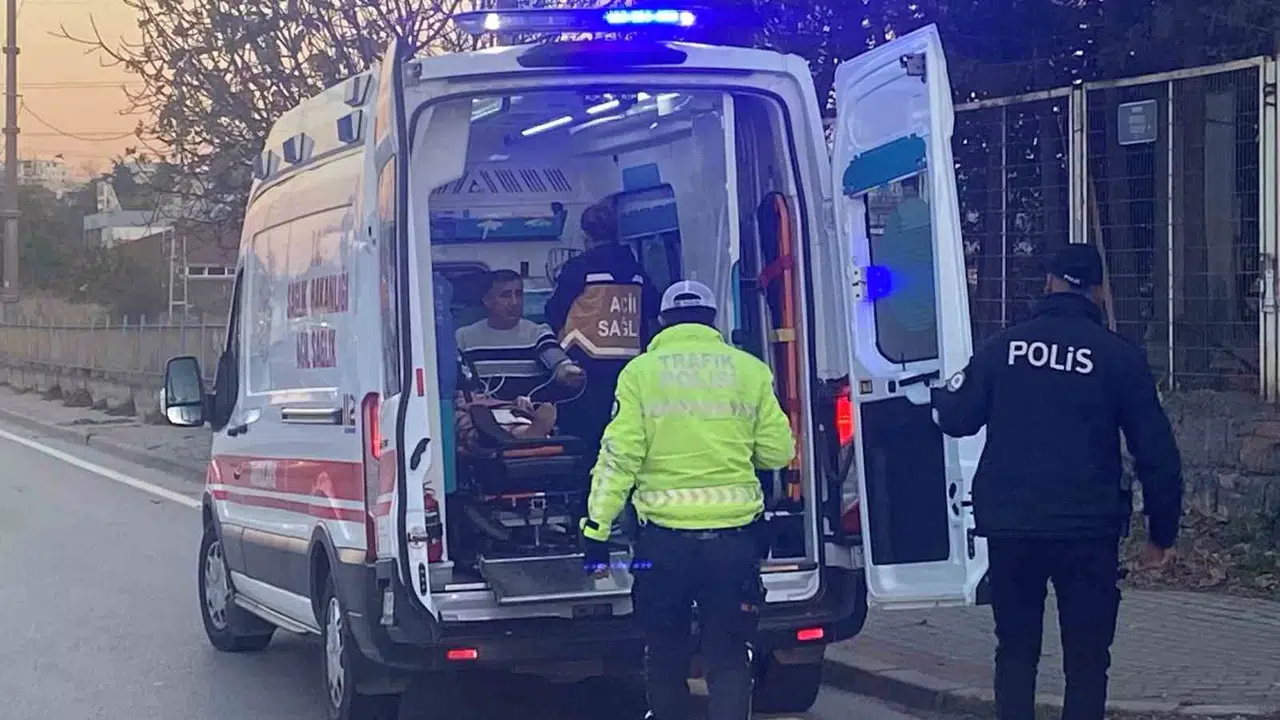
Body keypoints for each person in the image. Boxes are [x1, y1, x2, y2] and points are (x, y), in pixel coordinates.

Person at [931, 244, 1183, 720]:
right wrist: (1161, 532)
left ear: (1050, 283)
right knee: (1087, 660)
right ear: (1099, 291)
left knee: (1015, 650)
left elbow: (956, 418)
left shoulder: (1004, 347)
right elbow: (1157, 453)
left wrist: (937, 396)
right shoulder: (1118, 358)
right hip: (1086, 529)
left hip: (1012, 526)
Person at [578, 280, 795, 720]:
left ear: (661, 321)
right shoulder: (750, 370)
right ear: (713, 320)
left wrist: (596, 529)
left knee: (664, 653)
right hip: (735, 544)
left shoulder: (640, 373)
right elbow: (778, 453)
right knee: (729, 656)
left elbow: (618, 459)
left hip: (662, 547)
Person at [545, 198, 661, 450]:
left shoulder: (580, 268)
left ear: (585, 235)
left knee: (584, 438)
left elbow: (553, 311)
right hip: (629, 367)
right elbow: (653, 307)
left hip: (585, 366)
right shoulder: (636, 270)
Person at [454, 270, 585, 451]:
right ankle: (528, 435)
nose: (514, 302)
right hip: (483, 413)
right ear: (487, 301)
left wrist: (567, 371)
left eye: (519, 294)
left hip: (525, 412)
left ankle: (528, 432)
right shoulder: (464, 337)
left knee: (521, 420)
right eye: (506, 295)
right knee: (470, 418)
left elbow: (556, 359)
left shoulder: (537, 332)